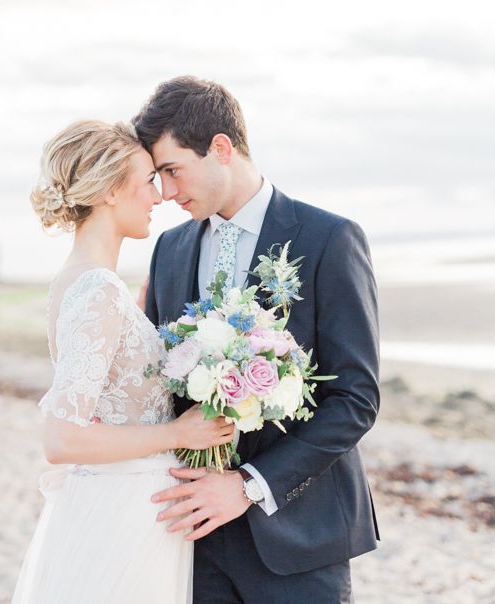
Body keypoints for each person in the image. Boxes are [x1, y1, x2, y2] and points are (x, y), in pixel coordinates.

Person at [133, 76, 380, 603]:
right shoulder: (169, 251)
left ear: (220, 148)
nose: (168, 192)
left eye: (173, 170)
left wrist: (247, 485)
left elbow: (355, 400)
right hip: (193, 537)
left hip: (298, 534)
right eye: (158, 177)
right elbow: (155, 388)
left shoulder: (328, 239)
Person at [10, 119, 235, 604]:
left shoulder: (80, 283)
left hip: (120, 501)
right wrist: (180, 434)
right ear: (111, 190)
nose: (158, 197)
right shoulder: (98, 291)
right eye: (148, 182)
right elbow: (62, 437)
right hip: (126, 514)